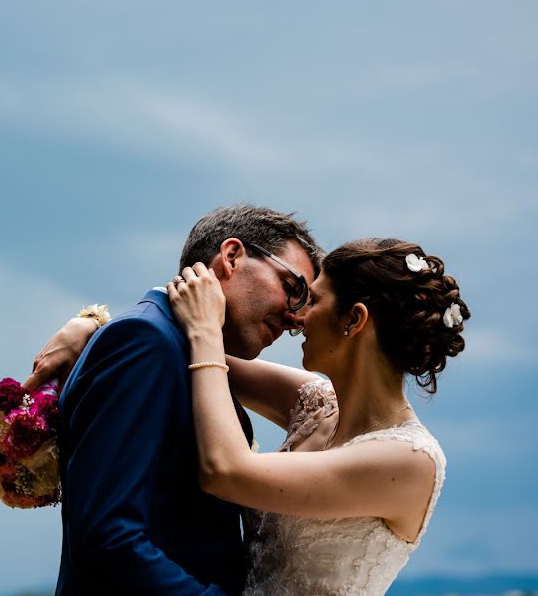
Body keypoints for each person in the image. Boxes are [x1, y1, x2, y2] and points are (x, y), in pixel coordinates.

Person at [32, 237, 469, 595]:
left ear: (353, 321)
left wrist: (204, 331)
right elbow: (169, 343)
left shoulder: (408, 460)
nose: (296, 318)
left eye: (311, 301)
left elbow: (225, 471)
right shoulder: (313, 402)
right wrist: (93, 328)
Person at [24, 204, 321, 595]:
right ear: (232, 257)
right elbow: (106, 536)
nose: (297, 318)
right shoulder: (146, 343)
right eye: (293, 289)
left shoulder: (186, 351)